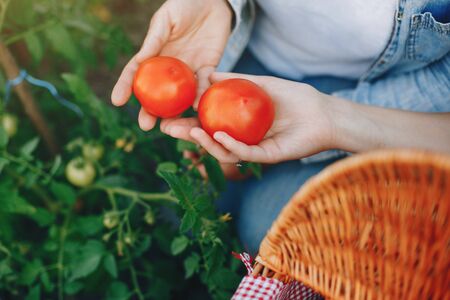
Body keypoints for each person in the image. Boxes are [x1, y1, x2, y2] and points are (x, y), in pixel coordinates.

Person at [111, 0, 450, 253]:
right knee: (181, 203)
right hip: (248, 46)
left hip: (391, 102)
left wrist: (334, 121)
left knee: (268, 229)